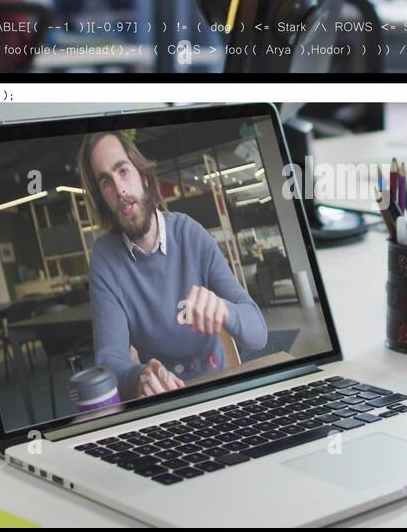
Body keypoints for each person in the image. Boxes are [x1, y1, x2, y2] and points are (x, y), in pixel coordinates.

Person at [79, 131, 268, 401]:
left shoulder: (191, 234)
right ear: (102, 199)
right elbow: (110, 360)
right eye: (106, 182)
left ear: (143, 177)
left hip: (219, 393)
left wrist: (225, 310)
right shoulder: (105, 259)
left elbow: (258, 334)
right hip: (164, 404)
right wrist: (138, 378)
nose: (120, 190)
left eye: (123, 171)